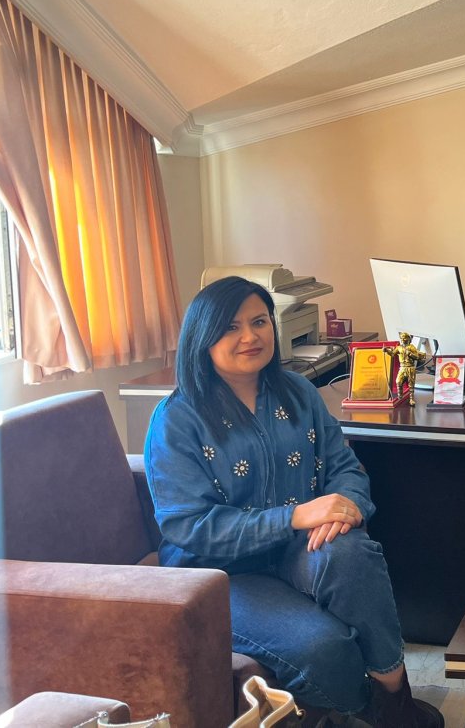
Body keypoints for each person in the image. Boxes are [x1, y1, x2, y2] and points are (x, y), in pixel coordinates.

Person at [144, 277, 443, 728]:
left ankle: (395, 697)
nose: (250, 336)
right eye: (231, 327)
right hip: (219, 574)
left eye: (259, 321)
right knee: (323, 647)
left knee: (351, 552)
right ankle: (359, 711)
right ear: (202, 337)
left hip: (296, 551)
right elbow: (190, 527)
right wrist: (296, 516)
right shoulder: (176, 420)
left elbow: (345, 467)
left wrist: (347, 506)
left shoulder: (297, 391)